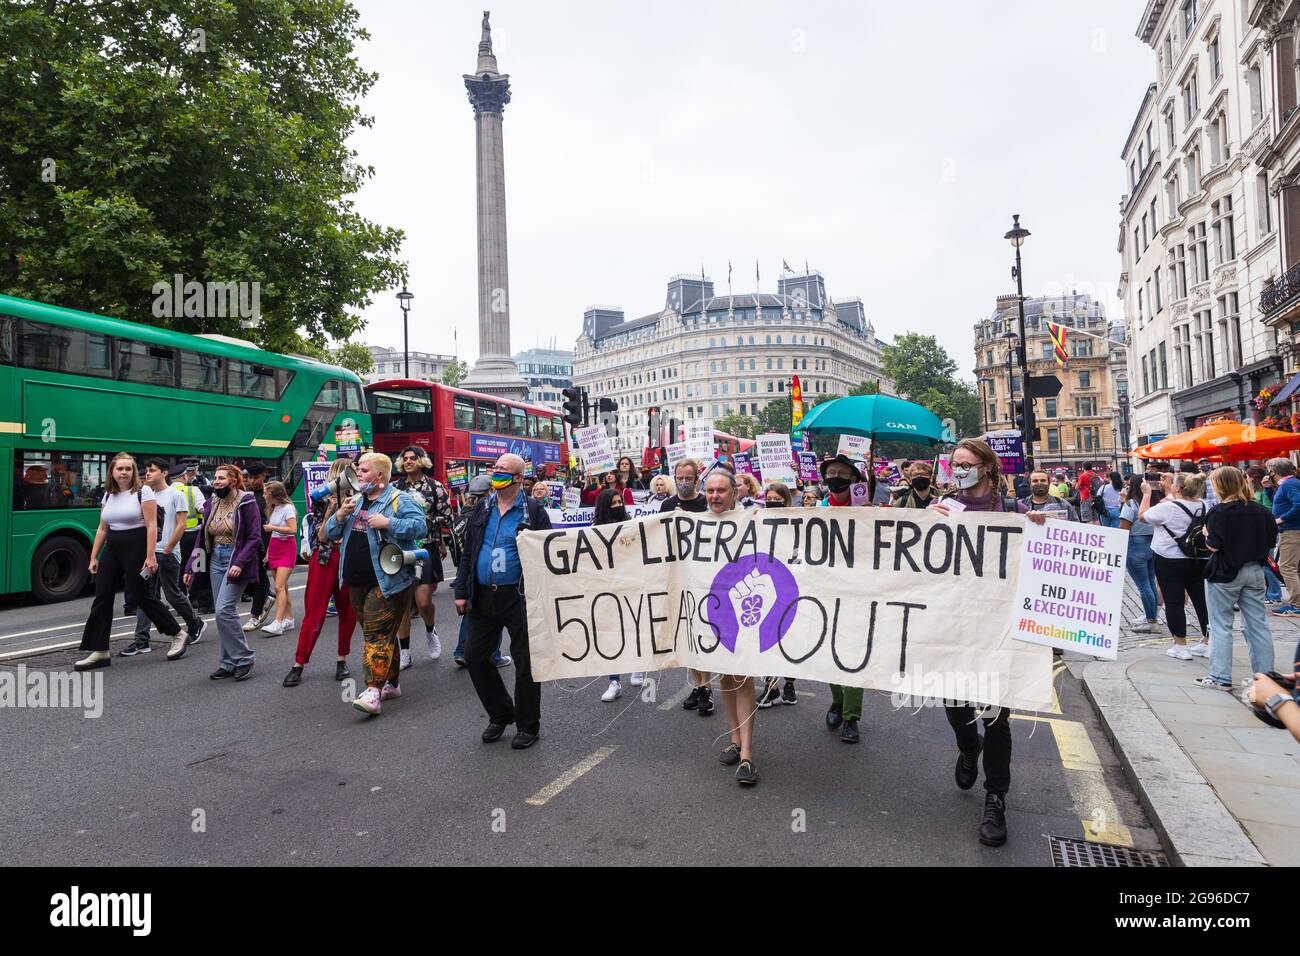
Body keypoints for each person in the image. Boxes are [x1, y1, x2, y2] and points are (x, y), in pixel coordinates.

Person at [926, 439, 1051, 847]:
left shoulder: (1012, 511)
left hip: (999, 629)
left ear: (986, 467)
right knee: (954, 703)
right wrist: (925, 522)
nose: (958, 469)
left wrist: (1039, 531)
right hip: (954, 625)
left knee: (997, 716)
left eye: (966, 463)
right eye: (954, 464)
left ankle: (996, 797)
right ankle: (967, 746)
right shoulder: (946, 507)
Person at [454, 453, 552, 748]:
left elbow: (549, 552)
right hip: (484, 595)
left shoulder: (533, 511)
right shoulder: (482, 508)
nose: (496, 473)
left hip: (519, 597)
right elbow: (469, 552)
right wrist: (461, 591)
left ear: (519, 478)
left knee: (525, 663)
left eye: (503, 470)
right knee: (474, 656)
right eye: (494, 468)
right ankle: (500, 714)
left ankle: (527, 724)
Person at [326, 452, 426, 716]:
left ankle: (372, 691)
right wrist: (339, 515)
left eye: (364, 471)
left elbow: (420, 528)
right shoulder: (355, 500)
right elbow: (328, 533)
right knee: (379, 634)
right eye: (358, 470)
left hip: (388, 580)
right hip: (355, 580)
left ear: (380, 476)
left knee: (376, 636)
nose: (358, 474)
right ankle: (391, 683)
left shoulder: (399, 500)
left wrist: (388, 523)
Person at [75, 454, 184, 671]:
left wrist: (150, 555)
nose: (124, 472)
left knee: (141, 596)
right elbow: (102, 528)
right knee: (102, 596)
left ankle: (178, 633)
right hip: (112, 548)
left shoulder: (144, 492)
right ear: (112, 473)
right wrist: (94, 556)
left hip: (136, 546)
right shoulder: (108, 495)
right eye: (120, 469)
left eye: (128, 469)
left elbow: (152, 526)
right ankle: (100, 650)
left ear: (133, 472)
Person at [700, 469, 760, 785]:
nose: (714, 496)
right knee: (725, 677)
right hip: (713, 613)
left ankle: (748, 755)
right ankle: (735, 740)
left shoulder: (751, 522)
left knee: (743, 679)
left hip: (744, 612)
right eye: (709, 490)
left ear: (734, 492)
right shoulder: (696, 524)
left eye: (721, 490)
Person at [182, 464, 263, 681]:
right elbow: (202, 537)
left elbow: (254, 537)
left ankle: (244, 657)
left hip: (236, 560)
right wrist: (192, 566)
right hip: (216, 558)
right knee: (220, 613)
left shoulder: (246, 501)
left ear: (234, 480)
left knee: (225, 610)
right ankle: (227, 662)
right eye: (215, 478)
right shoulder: (212, 502)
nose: (216, 481)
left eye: (221, 478)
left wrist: (239, 562)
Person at [1199, 466, 1276, 690]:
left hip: (1225, 572)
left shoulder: (1219, 512)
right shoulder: (1261, 510)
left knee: (1220, 624)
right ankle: (1265, 678)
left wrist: (1206, 535)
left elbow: (1213, 546)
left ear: (1220, 486)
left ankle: (1220, 676)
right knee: (1257, 625)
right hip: (1255, 571)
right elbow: (1271, 542)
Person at [123, 459, 206, 660]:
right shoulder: (143, 495)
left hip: (168, 552)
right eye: (146, 471)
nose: (147, 474)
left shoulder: (176, 494)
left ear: (164, 473)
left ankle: (195, 622)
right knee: (146, 596)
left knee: (172, 594)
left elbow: (181, 524)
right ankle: (141, 640)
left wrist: (169, 546)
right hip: (149, 552)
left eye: (152, 471)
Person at [284, 458, 356, 687]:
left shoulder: (359, 499)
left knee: (348, 611)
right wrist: (333, 508)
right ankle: (299, 662)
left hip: (348, 558)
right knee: (314, 613)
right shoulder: (320, 499)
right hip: (325, 557)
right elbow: (321, 536)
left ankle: (341, 659)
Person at [817, 454, 870, 742]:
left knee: (852, 655)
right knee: (829, 653)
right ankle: (836, 699)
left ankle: (851, 717)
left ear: (853, 479)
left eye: (841, 473)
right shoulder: (818, 509)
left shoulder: (866, 507)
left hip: (858, 592)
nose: (835, 477)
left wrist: (874, 517)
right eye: (831, 472)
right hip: (826, 590)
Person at [660, 459, 714, 714]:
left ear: (696, 479)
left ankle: (707, 689)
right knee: (688, 634)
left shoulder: (707, 503)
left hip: (704, 578)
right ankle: (697, 685)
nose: (683, 482)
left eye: (688, 478)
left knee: (703, 631)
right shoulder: (667, 505)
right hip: (680, 576)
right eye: (679, 477)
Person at [1139, 471, 1210, 660]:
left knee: (1174, 602)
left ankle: (1180, 646)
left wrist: (1146, 494)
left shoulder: (1168, 508)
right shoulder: (1203, 505)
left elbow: (1142, 516)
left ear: (1177, 487)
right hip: (1198, 559)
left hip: (1169, 558)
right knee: (1202, 602)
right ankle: (1208, 642)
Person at [393, 446, 452, 665]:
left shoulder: (435, 487)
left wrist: (426, 522)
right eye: (405, 458)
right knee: (403, 604)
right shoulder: (394, 488)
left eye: (413, 458)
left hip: (425, 550)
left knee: (423, 601)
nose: (408, 462)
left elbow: (447, 517)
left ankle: (430, 630)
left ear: (422, 461)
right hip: (400, 551)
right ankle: (405, 651)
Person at [451, 475, 509, 668]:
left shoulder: (463, 514)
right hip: (486, 572)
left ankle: (461, 650)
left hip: (467, 572)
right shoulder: (485, 513)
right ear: (490, 491)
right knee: (495, 617)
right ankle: (495, 655)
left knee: (471, 612)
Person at [596, 489, 644, 701]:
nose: (618, 506)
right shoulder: (594, 530)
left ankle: (637, 665)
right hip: (607, 587)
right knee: (611, 635)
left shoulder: (630, 525)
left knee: (633, 627)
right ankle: (614, 681)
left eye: (620, 502)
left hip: (630, 583)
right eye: (613, 503)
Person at [755, 482, 797, 709]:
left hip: (790, 585)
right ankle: (771, 688)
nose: (772, 502)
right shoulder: (759, 520)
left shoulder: (796, 522)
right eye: (769, 498)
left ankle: (789, 685)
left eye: (777, 499)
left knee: (789, 639)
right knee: (768, 637)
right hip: (767, 585)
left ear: (786, 500)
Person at [1120, 474, 1160, 633]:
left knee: (1144, 586)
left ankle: (1151, 620)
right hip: (1153, 545)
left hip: (1136, 546)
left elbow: (1124, 528)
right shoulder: (1155, 503)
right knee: (1150, 582)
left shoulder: (1131, 504)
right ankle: (1152, 615)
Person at [258, 480, 298, 635]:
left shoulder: (288, 508)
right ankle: (289, 619)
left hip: (286, 548)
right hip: (274, 548)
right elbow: (274, 534)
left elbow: (292, 529)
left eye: (265, 492)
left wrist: (272, 527)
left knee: (278, 587)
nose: (263, 495)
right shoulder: (274, 508)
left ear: (273, 494)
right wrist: (268, 553)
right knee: (284, 587)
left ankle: (278, 623)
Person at [173, 460, 211, 613]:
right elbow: (203, 509)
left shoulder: (165, 492)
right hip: (195, 537)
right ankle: (204, 603)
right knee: (198, 567)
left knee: (180, 569)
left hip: (175, 538)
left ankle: (181, 603)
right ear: (184, 477)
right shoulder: (193, 490)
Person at [241, 463, 275, 632]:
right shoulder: (246, 495)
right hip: (250, 542)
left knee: (259, 578)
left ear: (264, 476)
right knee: (254, 578)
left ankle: (255, 616)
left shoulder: (270, 494)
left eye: (255, 478)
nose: (251, 481)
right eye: (249, 478)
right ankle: (269, 599)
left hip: (265, 542)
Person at [1268, 457, 1300, 616]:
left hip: (1291, 531)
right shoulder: (1288, 484)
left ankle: (1296, 604)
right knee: (1294, 567)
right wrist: (1268, 488)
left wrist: (1282, 519)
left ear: (1273, 472)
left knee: (1287, 567)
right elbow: (1280, 502)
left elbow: (1298, 503)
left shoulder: (1289, 484)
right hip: (1292, 530)